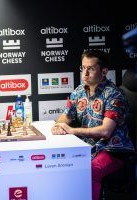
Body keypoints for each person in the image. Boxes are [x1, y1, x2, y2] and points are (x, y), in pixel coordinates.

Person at [51, 49, 135, 200]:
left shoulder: (114, 94)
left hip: (113, 151)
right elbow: (66, 117)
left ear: (104, 71)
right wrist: (58, 125)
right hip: (87, 148)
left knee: (91, 170)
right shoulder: (78, 92)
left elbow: (105, 131)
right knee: (61, 163)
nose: (85, 73)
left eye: (91, 69)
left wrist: (71, 130)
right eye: (83, 68)